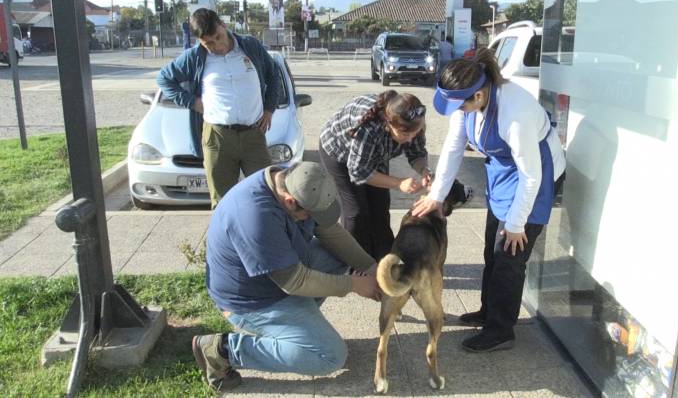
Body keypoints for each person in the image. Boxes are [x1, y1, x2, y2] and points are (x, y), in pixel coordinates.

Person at [412, 49, 566, 353]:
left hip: (535, 175)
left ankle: (500, 330)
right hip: (504, 173)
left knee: (509, 255)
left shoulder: (514, 113)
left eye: (463, 105)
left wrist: (517, 223)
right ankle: (488, 311)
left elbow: (531, 175)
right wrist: (436, 196)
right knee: (491, 249)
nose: (460, 111)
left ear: (480, 95)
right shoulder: (466, 103)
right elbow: (454, 148)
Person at [192, 162, 380, 390]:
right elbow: (294, 281)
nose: (313, 218)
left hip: (283, 272)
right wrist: (354, 285)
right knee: (331, 356)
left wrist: (372, 268)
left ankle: (299, 324)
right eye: (309, 214)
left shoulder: (294, 178)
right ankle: (223, 350)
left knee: (340, 256)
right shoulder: (255, 216)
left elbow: (330, 231)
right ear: (290, 202)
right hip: (253, 301)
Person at [157, 8, 280, 208]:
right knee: (223, 202)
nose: (217, 46)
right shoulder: (195, 57)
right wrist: (192, 102)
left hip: (254, 135)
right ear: (200, 41)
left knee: (267, 194)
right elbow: (164, 79)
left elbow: (273, 75)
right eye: (209, 43)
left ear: (224, 25)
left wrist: (269, 109)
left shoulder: (249, 46)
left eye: (218, 37)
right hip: (218, 137)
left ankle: (264, 237)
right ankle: (223, 238)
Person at [319, 91, 431, 260]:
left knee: (380, 206)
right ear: (389, 124)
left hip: (376, 155)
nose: (409, 140)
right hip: (339, 152)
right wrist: (398, 183)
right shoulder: (368, 128)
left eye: (413, 134)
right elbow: (358, 172)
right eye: (405, 135)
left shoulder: (413, 123)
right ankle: (356, 264)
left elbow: (417, 153)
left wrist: (424, 171)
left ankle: (386, 260)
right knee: (356, 212)